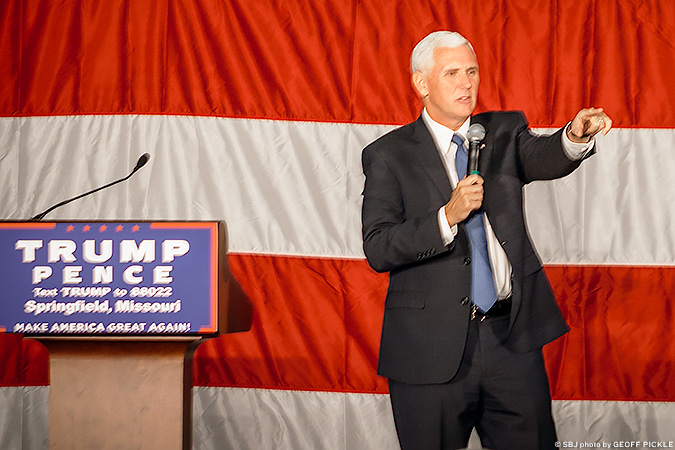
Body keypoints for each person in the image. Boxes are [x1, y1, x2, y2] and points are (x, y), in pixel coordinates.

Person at [361, 31, 612, 450]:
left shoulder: (502, 131)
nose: (466, 83)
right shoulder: (389, 154)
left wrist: (575, 136)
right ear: (421, 83)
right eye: (453, 72)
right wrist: (447, 217)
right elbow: (379, 247)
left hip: (509, 340)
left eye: (472, 72)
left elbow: (545, 157)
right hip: (429, 348)